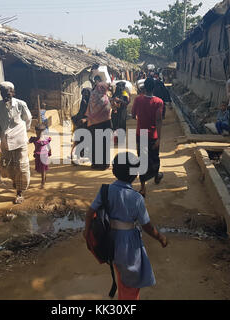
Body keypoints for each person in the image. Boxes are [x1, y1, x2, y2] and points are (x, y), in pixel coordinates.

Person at [83, 152, 168, 300]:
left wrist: (86, 231)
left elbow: (90, 212)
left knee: (122, 276)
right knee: (131, 281)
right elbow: (147, 226)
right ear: (135, 174)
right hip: (128, 244)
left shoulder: (105, 190)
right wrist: (160, 237)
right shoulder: (136, 198)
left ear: (114, 171)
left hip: (110, 241)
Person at [0, 81, 32, 204]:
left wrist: (24, 130)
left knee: (21, 166)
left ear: (13, 92)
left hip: (20, 139)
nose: (6, 95)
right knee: (6, 166)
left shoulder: (20, 104)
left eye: (8, 93)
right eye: (3, 93)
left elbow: (28, 118)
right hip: (5, 141)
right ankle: (15, 180)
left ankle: (20, 192)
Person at [132, 78, 164, 197]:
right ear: (154, 88)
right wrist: (159, 138)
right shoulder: (158, 102)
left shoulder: (138, 99)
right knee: (155, 157)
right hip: (153, 135)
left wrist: (140, 118)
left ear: (144, 87)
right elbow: (159, 120)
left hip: (141, 134)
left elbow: (133, 115)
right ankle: (156, 176)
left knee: (142, 159)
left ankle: (143, 188)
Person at [85, 82, 112, 170]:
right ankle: (104, 164)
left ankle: (96, 164)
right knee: (104, 145)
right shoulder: (104, 98)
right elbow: (108, 111)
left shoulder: (93, 96)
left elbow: (90, 111)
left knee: (96, 144)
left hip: (94, 124)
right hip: (104, 124)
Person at [71, 88, 91, 163]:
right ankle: (76, 157)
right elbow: (81, 112)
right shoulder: (84, 102)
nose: (85, 96)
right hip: (82, 125)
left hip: (86, 125)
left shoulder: (90, 103)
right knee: (79, 141)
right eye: (84, 95)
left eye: (86, 95)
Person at [29, 124, 51, 188]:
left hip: (44, 156)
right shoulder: (35, 139)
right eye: (37, 132)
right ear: (35, 132)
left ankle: (43, 183)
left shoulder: (45, 140)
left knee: (43, 170)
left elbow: (49, 147)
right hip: (38, 156)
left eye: (40, 133)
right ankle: (43, 181)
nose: (38, 134)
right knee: (42, 170)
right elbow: (27, 142)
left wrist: (49, 153)